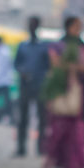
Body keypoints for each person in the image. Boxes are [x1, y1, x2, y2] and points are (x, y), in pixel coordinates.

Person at [41, 16, 84, 168]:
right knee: (57, 130)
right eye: (76, 27)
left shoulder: (81, 47)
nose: (78, 31)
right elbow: (54, 65)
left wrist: (73, 68)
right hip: (59, 91)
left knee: (76, 132)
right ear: (68, 27)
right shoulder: (58, 46)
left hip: (76, 93)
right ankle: (54, 158)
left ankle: (74, 165)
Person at [13, 16, 50, 158]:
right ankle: (21, 148)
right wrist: (22, 72)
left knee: (42, 119)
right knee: (22, 118)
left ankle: (41, 148)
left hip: (40, 86)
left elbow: (48, 66)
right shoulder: (23, 46)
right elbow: (16, 64)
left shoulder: (43, 47)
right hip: (25, 86)